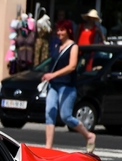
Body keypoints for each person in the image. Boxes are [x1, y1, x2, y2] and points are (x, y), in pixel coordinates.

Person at [41, 20, 96, 152]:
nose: (59, 33)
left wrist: (53, 75)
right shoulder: (56, 46)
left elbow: (72, 66)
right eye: (58, 30)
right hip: (53, 85)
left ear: (69, 31)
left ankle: (89, 135)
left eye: (62, 30)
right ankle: (48, 147)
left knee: (66, 116)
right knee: (49, 112)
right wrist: (48, 75)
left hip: (67, 85)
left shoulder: (73, 47)